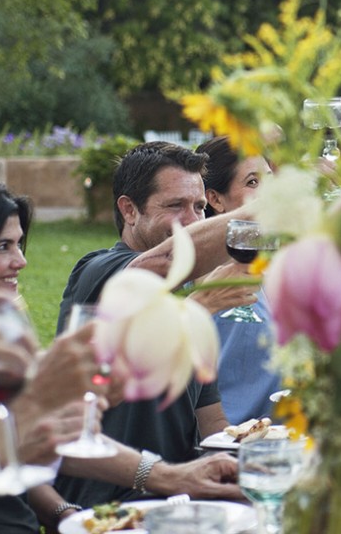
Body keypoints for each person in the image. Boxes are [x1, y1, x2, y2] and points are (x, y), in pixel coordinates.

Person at [53, 142, 248, 509]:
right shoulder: (99, 271)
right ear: (129, 210)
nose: (193, 221)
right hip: (105, 506)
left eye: (200, 207)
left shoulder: (186, 306)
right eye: (175, 206)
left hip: (179, 500)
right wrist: (267, 213)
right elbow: (169, 260)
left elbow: (214, 425)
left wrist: (256, 454)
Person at [0, 179, 97, 532]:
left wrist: (63, 512)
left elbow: (14, 448)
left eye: (19, 244)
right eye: (2, 247)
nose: (20, 261)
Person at [197, 137, 280, 424]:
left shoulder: (269, 265)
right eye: (253, 183)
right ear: (215, 199)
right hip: (235, 442)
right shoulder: (208, 281)